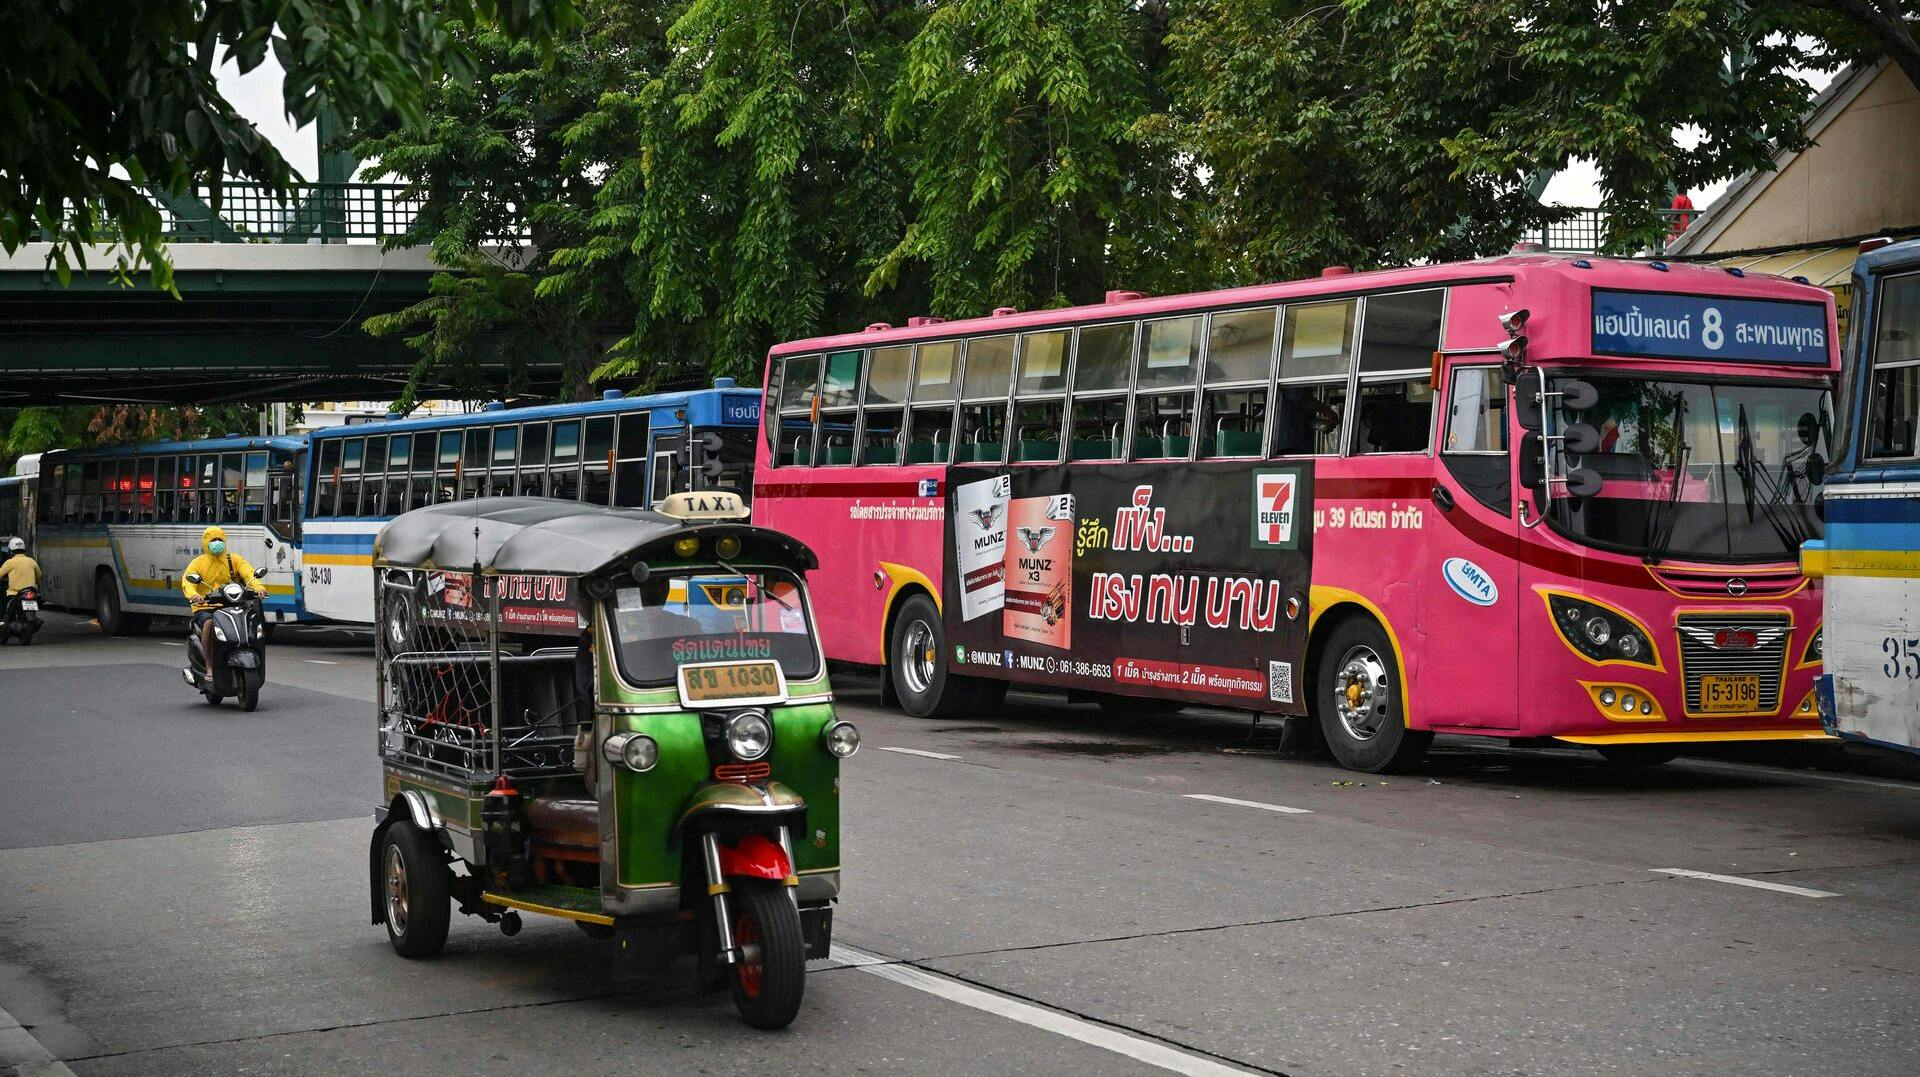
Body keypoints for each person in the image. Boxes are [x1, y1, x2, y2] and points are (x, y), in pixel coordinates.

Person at [181, 526, 264, 673]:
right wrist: (193, 595)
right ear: (206, 543)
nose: (217, 543)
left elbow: (249, 574)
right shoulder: (197, 563)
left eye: (220, 540)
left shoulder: (234, 560)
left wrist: (259, 588)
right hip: (205, 607)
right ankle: (209, 665)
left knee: (249, 620)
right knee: (208, 624)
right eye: (213, 540)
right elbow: (188, 583)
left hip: (231, 604)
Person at [1, 537, 41, 602]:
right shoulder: (31, 561)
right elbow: (39, 575)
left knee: (7, 609)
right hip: (30, 592)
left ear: (11, 552)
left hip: (14, 594)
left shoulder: (9, 562)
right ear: (24, 550)